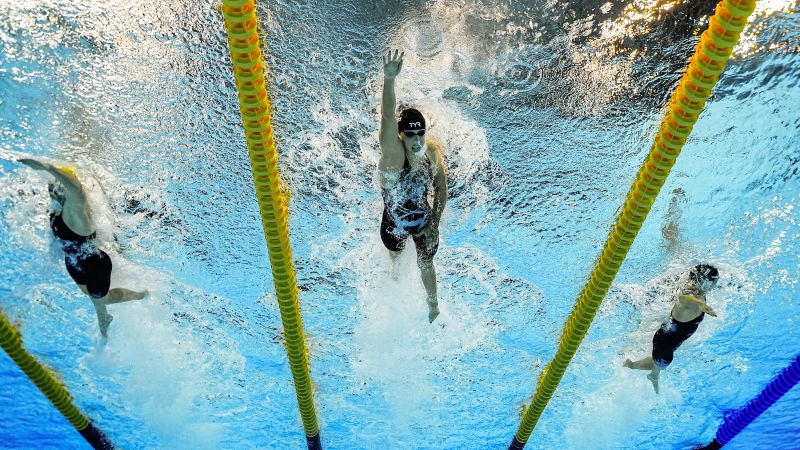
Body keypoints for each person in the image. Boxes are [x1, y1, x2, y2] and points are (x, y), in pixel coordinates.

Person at [17, 157, 148, 337]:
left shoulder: (77, 217)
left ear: (63, 189)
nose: (50, 191)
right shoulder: (58, 207)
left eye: (54, 187)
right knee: (95, 299)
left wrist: (48, 168)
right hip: (74, 263)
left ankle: (137, 296)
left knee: (102, 300)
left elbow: (76, 189)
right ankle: (104, 316)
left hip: (95, 267)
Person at [378, 50, 448, 323]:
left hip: (422, 219)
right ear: (401, 136)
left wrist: (435, 223)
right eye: (411, 135)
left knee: (426, 262)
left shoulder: (430, 152)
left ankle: (433, 305)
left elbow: (441, 189)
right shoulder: (393, 156)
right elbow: (386, 118)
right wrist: (389, 80)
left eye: (421, 133)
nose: (417, 140)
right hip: (393, 222)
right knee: (395, 256)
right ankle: (394, 282)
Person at [624, 264, 720, 393]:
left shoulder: (691, 288)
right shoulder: (692, 302)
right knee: (657, 364)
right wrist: (700, 303)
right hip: (664, 347)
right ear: (705, 283)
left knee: (657, 366)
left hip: (666, 338)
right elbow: (683, 299)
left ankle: (652, 374)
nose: (715, 284)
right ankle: (632, 365)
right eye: (714, 281)